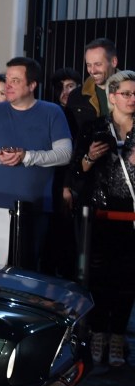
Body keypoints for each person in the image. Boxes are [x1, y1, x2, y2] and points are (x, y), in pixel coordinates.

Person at [0, 57, 73, 268]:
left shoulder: (52, 112)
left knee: (28, 270)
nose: (8, 85)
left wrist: (28, 157)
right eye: (8, 79)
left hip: (35, 208)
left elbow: (65, 153)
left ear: (32, 85)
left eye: (15, 80)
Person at [67, 70, 135, 367]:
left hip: (131, 218)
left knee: (128, 279)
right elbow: (75, 171)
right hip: (99, 214)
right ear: (112, 96)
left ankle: (118, 336)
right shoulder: (95, 128)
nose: (132, 99)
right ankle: (96, 333)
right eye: (126, 93)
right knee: (99, 277)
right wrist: (91, 157)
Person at [68, 37, 119, 134]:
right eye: (89, 65)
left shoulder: (131, 91)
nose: (92, 70)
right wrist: (86, 149)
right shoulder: (76, 97)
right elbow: (72, 137)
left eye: (98, 64)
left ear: (113, 62)